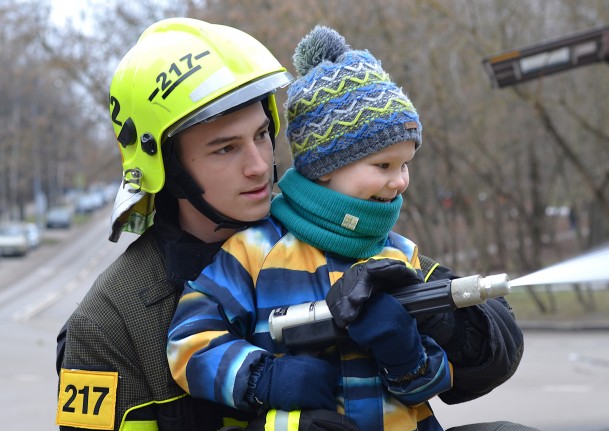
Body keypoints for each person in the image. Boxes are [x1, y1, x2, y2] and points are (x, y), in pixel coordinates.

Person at [167, 26, 537, 431]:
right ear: (325, 167)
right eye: (383, 166)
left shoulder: (400, 256)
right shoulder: (254, 251)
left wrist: (407, 357)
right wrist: (264, 379)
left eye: (405, 164)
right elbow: (189, 342)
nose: (400, 182)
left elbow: (427, 389)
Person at [55, 17, 358, 431]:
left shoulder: (324, 233)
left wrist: (449, 329)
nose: (258, 166)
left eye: (261, 134)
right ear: (169, 168)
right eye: (226, 149)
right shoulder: (110, 322)